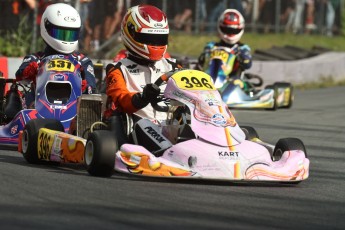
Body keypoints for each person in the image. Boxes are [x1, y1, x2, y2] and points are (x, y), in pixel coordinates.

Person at [104, 4, 182, 154]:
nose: (156, 44)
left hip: (170, 124)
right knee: (145, 124)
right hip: (137, 126)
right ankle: (168, 154)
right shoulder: (118, 69)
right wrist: (142, 98)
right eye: (150, 39)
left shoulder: (172, 66)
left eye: (160, 39)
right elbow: (120, 98)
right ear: (131, 34)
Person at [15, 3, 96, 108]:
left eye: (70, 34)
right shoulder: (35, 59)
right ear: (46, 28)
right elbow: (19, 77)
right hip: (37, 107)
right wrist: (31, 71)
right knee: (17, 97)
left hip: (73, 112)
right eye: (60, 33)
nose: (66, 39)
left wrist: (83, 85)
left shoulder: (83, 61)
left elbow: (91, 90)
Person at [197, 9, 252, 90]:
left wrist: (242, 57)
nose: (230, 33)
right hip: (207, 80)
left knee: (239, 83)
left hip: (231, 80)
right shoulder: (212, 46)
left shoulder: (242, 48)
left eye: (234, 30)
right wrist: (205, 55)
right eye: (227, 30)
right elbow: (201, 60)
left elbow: (248, 64)